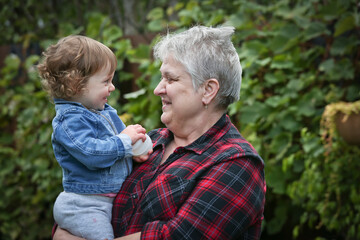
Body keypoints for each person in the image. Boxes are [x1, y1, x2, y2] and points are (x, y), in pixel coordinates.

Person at [53, 25, 266, 240]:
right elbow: (85, 206)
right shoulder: (150, 142)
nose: (158, 89)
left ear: (208, 90)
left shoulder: (237, 162)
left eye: (171, 79)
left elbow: (177, 236)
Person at [38, 35, 151, 240]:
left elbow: (115, 147)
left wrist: (132, 153)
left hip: (102, 202)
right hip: (84, 206)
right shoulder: (69, 122)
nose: (112, 87)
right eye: (106, 81)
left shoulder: (102, 111)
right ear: (76, 85)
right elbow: (92, 153)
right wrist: (124, 141)